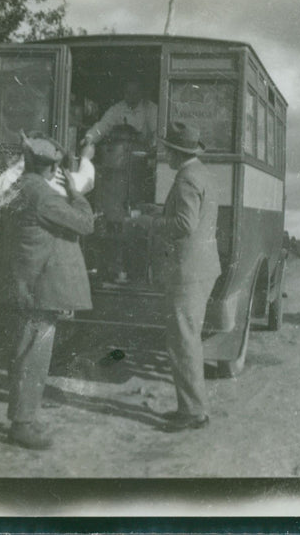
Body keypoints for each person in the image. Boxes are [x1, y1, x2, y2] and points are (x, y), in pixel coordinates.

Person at [1, 134, 94, 449]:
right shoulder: (45, 196)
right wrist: (75, 193)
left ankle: (24, 417)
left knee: (26, 352)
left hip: (26, 281)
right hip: (41, 286)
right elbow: (85, 224)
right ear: (54, 168)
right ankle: (22, 424)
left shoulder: (20, 187)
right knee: (33, 356)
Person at [131, 121, 219, 432]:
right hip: (200, 268)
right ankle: (192, 408)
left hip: (187, 271)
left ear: (176, 152)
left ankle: (193, 412)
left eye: (167, 149)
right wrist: (157, 212)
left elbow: (184, 224)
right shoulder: (200, 173)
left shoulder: (186, 179)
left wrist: (148, 222)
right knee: (187, 339)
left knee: (183, 341)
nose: (164, 153)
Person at [0, 138, 95, 232]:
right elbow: (87, 182)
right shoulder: (55, 183)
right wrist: (85, 159)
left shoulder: (1, 180)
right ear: (52, 167)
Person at [84, 79, 158, 148]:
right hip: (121, 153)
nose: (131, 96)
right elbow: (103, 125)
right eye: (128, 93)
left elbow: (157, 131)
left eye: (135, 93)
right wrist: (90, 137)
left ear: (141, 92)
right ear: (124, 93)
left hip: (145, 151)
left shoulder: (150, 108)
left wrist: (154, 146)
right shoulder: (117, 109)